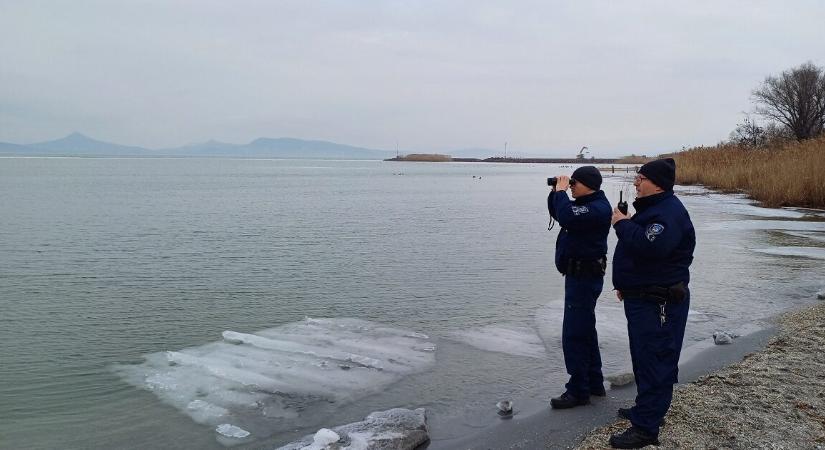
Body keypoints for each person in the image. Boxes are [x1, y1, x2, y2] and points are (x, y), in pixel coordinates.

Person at [608, 158, 696, 448]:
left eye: (640, 177)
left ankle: (646, 429)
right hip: (643, 298)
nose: (635, 182)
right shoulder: (654, 210)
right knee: (644, 359)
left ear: (655, 182)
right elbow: (642, 253)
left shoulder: (668, 213)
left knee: (656, 361)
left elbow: (651, 246)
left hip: (660, 304)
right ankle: (646, 410)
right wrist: (627, 286)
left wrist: (621, 224)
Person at [547, 166, 612, 409]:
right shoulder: (588, 204)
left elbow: (567, 216)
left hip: (584, 277)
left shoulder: (596, 208)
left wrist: (562, 192)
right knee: (585, 329)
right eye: (570, 183)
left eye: (574, 183)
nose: (571, 186)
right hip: (580, 276)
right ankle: (594, 382)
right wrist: (557, 191)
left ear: (588, 184)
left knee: (574, 333)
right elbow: (559, 211)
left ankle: (578, 390)